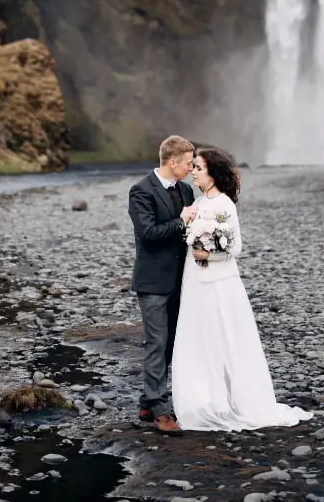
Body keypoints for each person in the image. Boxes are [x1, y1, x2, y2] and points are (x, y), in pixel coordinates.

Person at [171, 147, 313, 431]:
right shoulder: (198, 203)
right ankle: (206, 399)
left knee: (224, 337)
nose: (193, 172)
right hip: (196, 281)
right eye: (193, 167)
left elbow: (235, 247)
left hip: (219, 283)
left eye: (198, 168)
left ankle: (234, 401)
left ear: (213, 173)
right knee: (200, 337)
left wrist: (208, 254)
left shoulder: (224, 205)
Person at [128, 134, 196, 434]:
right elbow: (149, 234)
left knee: (170, 344)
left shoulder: (185, 189)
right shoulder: (141, 191)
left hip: (182, 279)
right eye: (189, 164)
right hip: (153, 281)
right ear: (172, 162)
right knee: (156, 343)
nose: (192, 169)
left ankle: (146, 401)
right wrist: (182, 221)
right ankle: (160, 410)